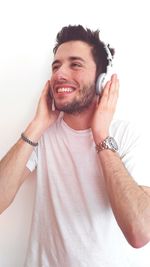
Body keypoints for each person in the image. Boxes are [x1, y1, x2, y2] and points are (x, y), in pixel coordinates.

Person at [0, 25, 150, 267]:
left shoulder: (127, 135)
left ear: (101, 80)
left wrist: (101, 136)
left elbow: (140, 231)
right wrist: (37, 126)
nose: (60, 74)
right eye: (56, 65)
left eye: (75, 64)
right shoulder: (43, 134)